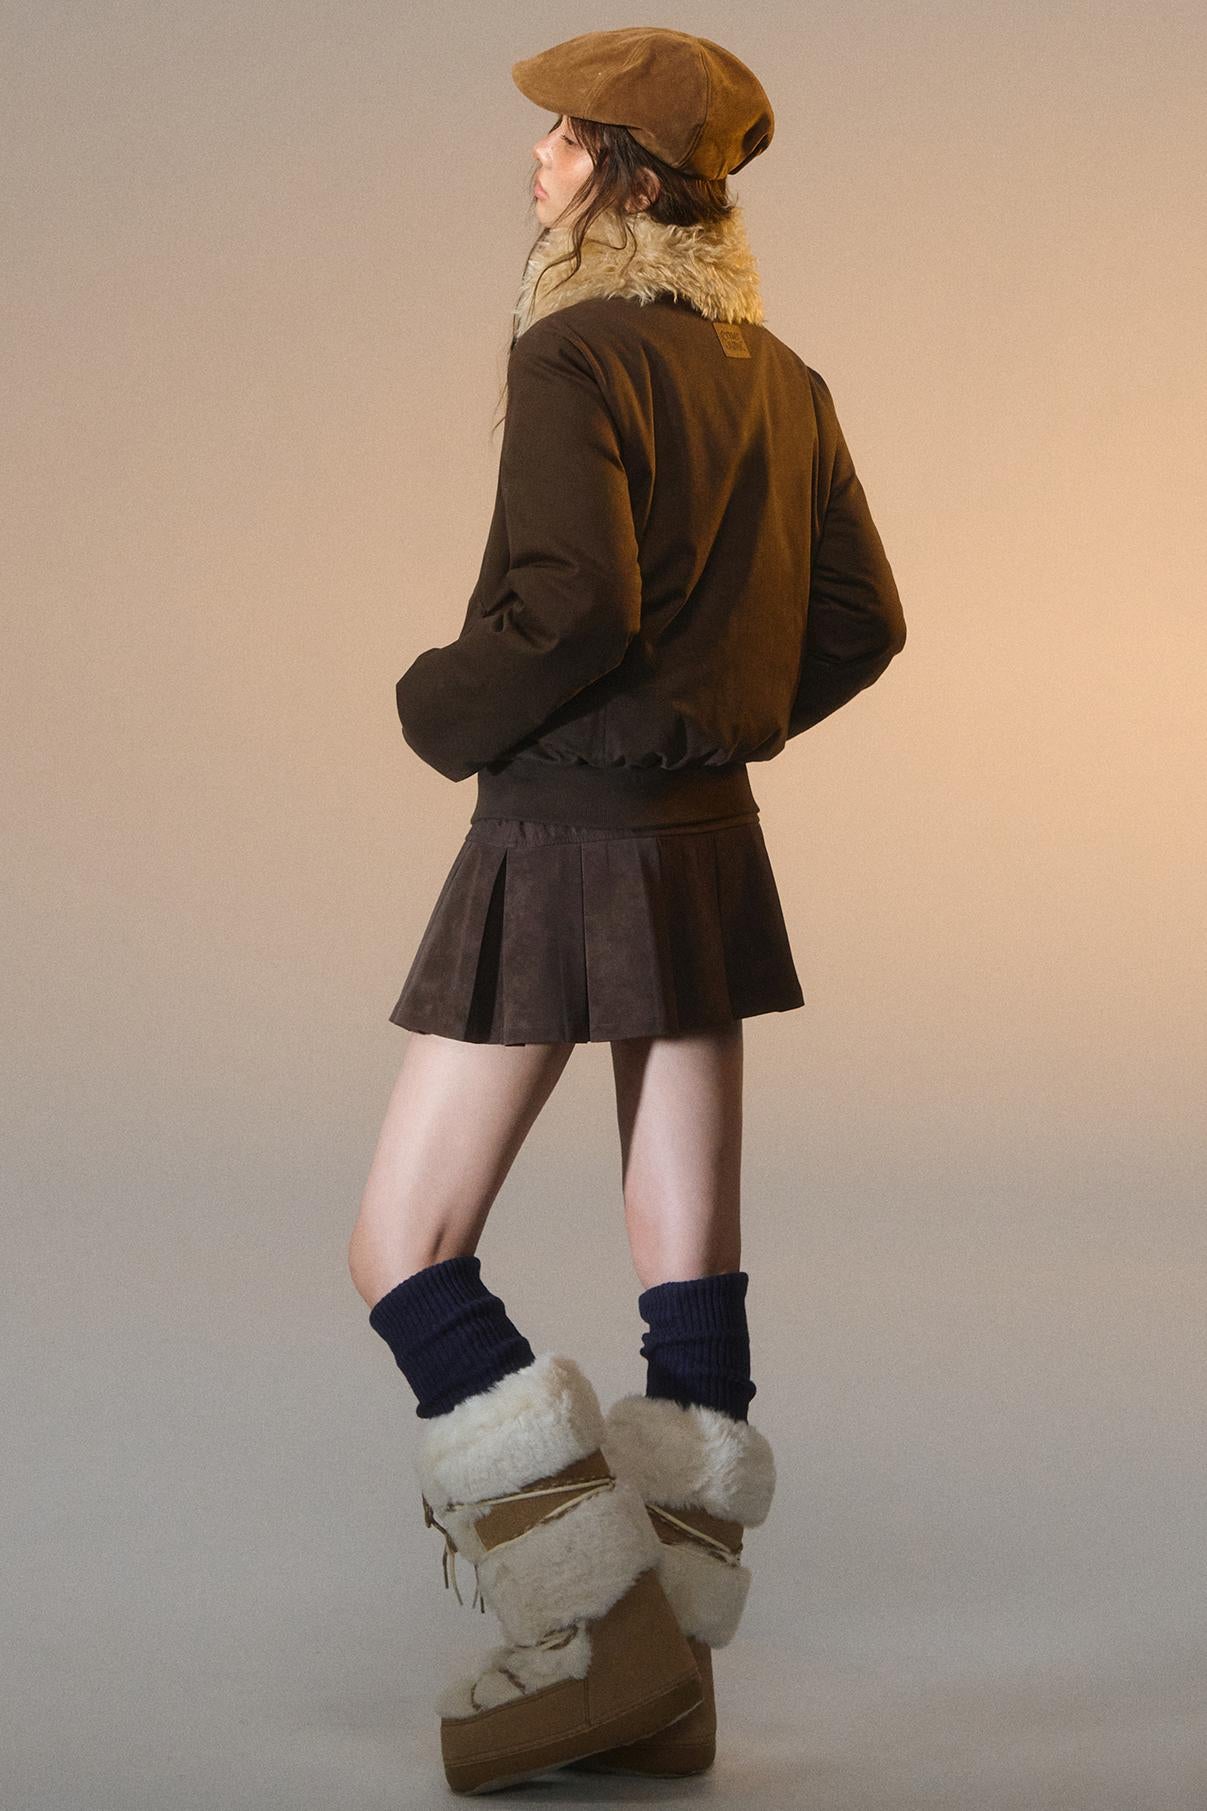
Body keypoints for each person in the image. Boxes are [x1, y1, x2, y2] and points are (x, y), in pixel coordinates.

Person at [347, 26, 907, 1794]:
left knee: (401, 1245)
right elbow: (860, 622)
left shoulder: (571, 352)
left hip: (566, 835)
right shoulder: (783, 376)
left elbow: (572, 609)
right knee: (692, 1278)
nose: (535, 161)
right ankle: (671, 1682)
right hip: (704, 842)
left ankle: (592, 1615)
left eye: (561, 138)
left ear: (620, 176)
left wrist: (434, 706)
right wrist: (709, 719)